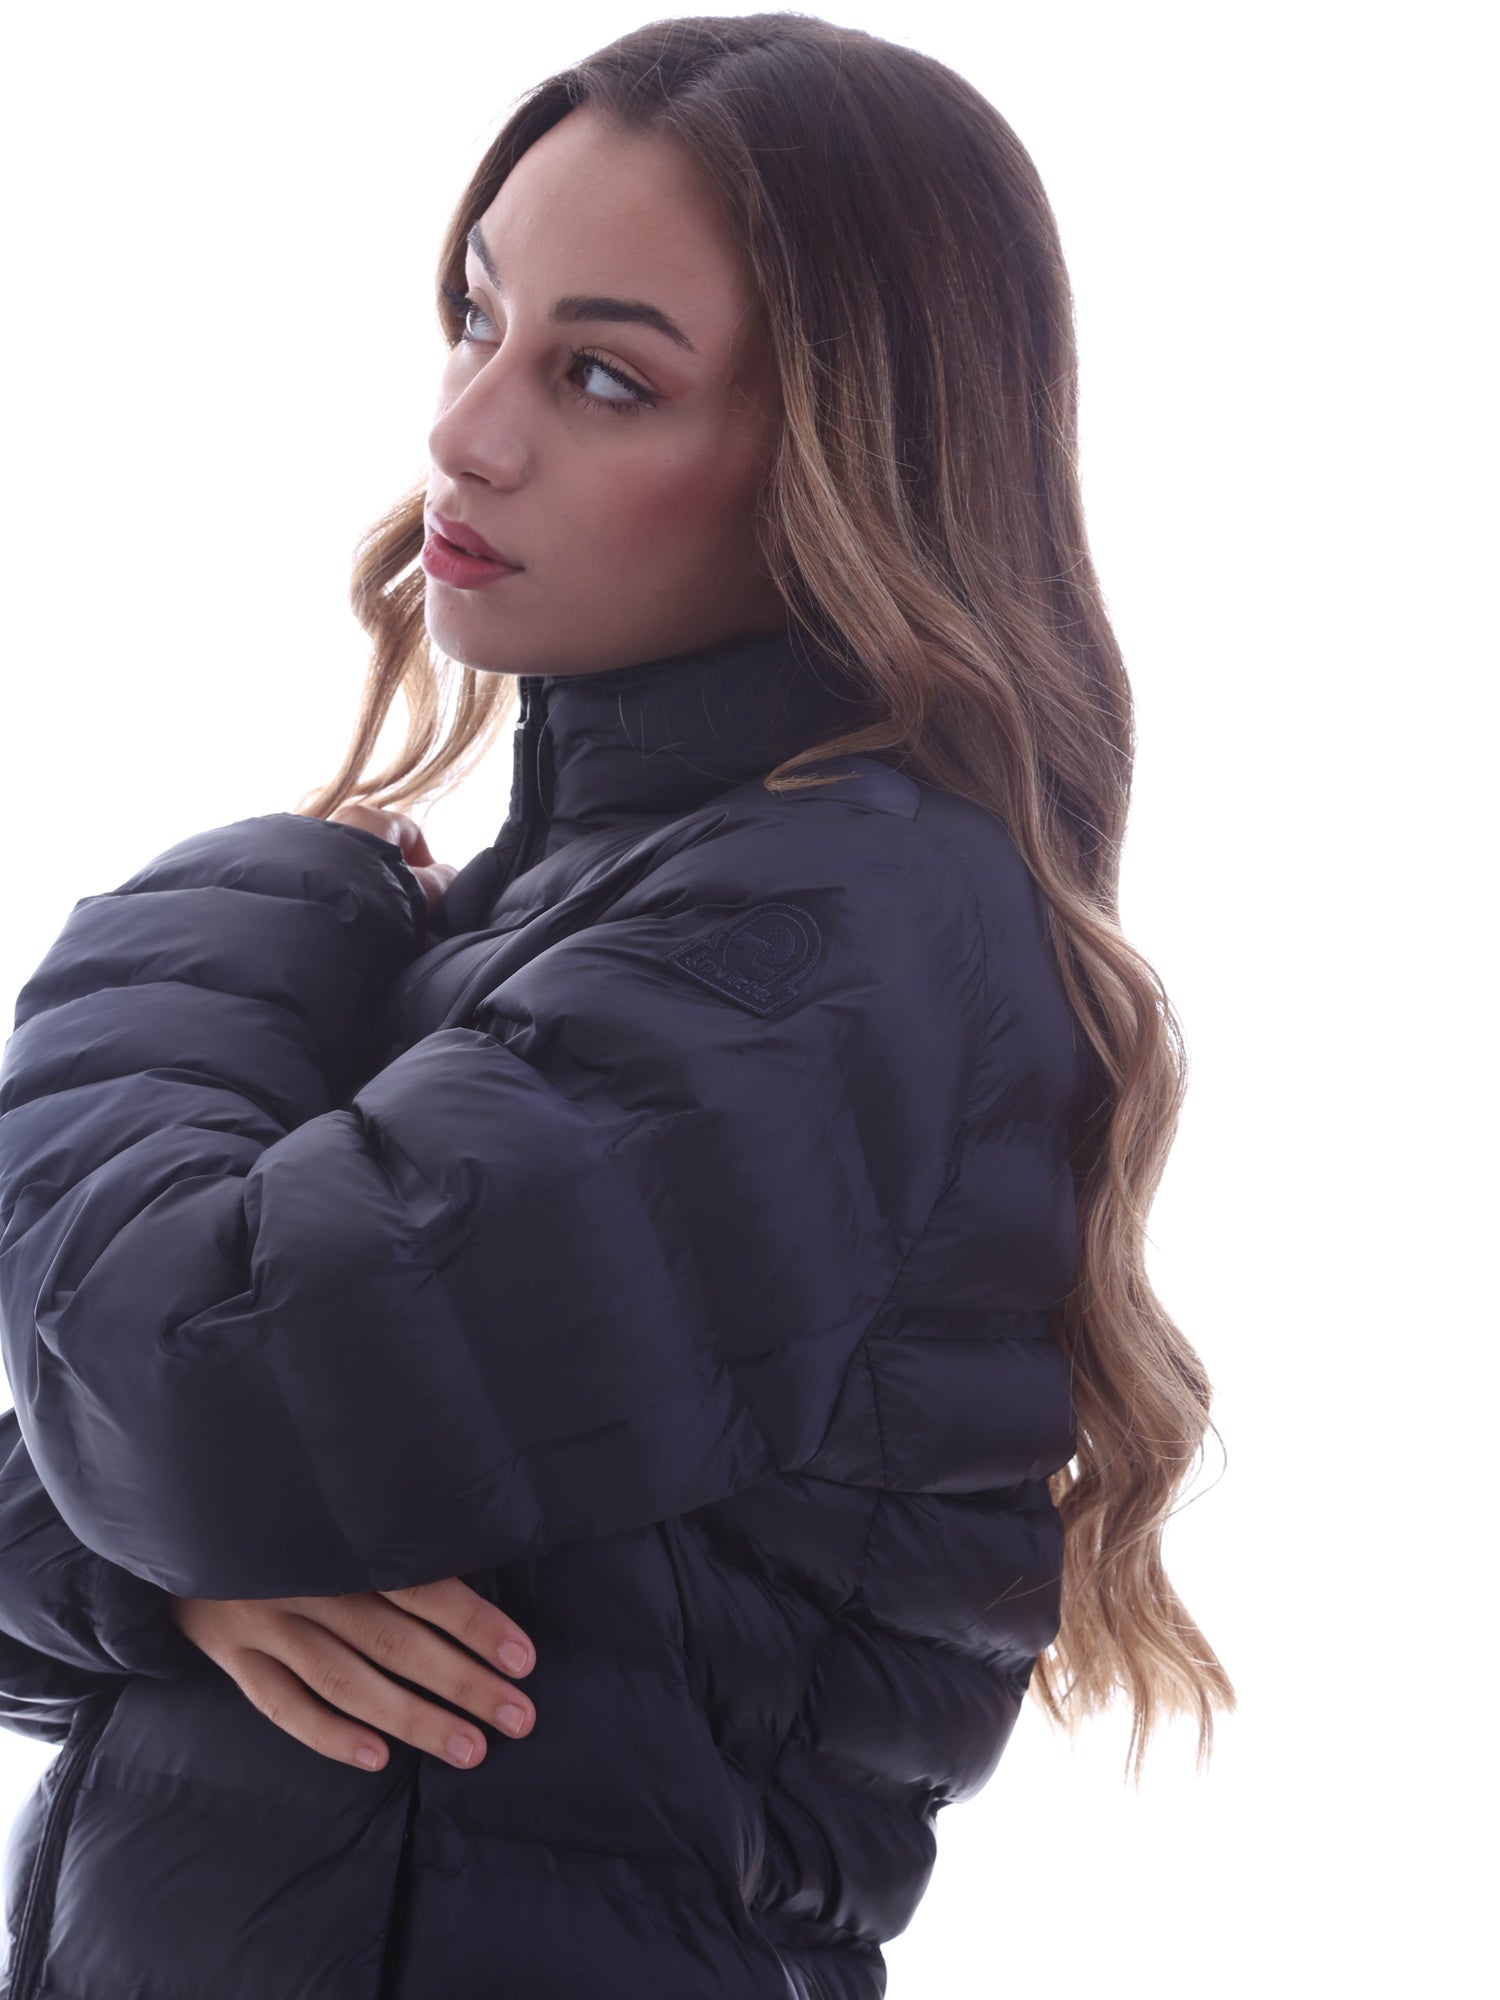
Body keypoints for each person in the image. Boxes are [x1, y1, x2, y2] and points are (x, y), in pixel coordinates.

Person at [0, 13, 1235, 1997]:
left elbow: (190, 1382)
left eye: (601, 376)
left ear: (842, 464)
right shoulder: (566, 923)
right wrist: (171, 1567)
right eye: (474, 319)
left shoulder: (830, 930)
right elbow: (136, 1448)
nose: (468, 435)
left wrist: (211, 919)